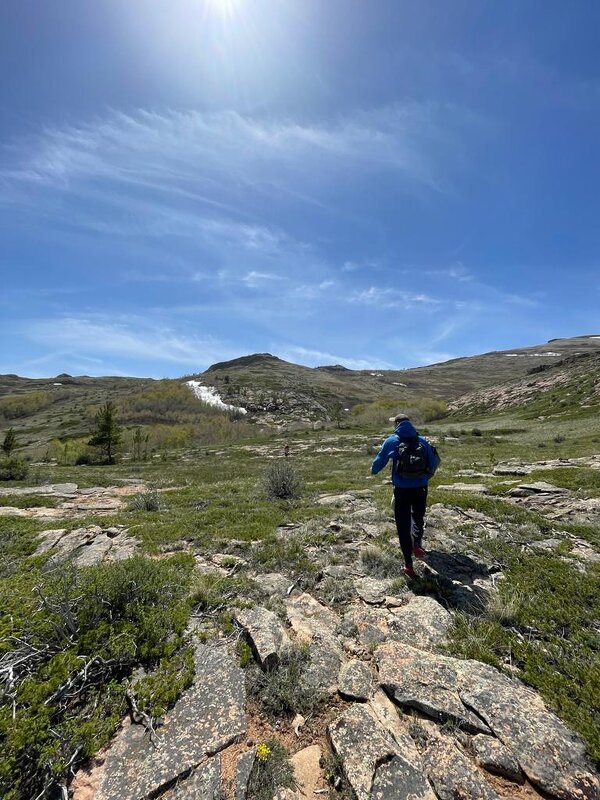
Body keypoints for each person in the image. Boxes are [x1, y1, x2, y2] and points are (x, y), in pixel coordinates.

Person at [371, 413, 440, 578]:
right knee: (418, 517)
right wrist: (426, 477)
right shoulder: (422, 440)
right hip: (421, 488)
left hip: (401, 490)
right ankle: (417, 545)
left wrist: (373, 470)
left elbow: (379, 462)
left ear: (397, 424)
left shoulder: (392, 441)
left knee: (403, 526)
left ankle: (408, 565)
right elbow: (435, 461)